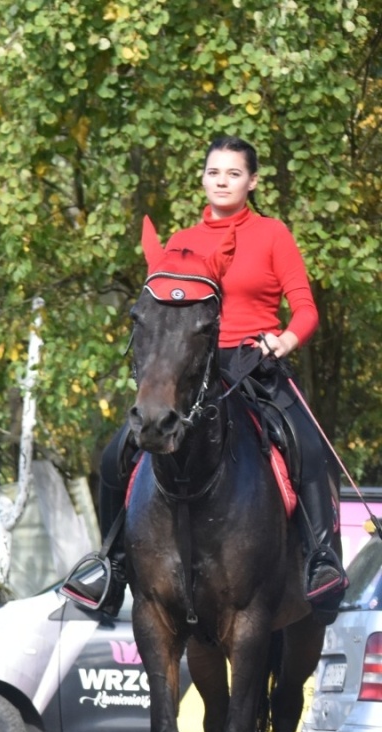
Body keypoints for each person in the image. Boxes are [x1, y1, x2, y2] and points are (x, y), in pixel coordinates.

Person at [62, 134, 344, 615]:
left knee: (308, 448)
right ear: (202, 178)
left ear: (252, 181)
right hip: (192, 372)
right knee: (116, 455)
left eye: (234, 173)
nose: (223, 181)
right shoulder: (181, 243)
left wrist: (283, 341)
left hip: (256, 364)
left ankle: (321, 561)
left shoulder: (273, 233)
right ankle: (111, 564)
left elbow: (305, 309)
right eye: (215, 172)